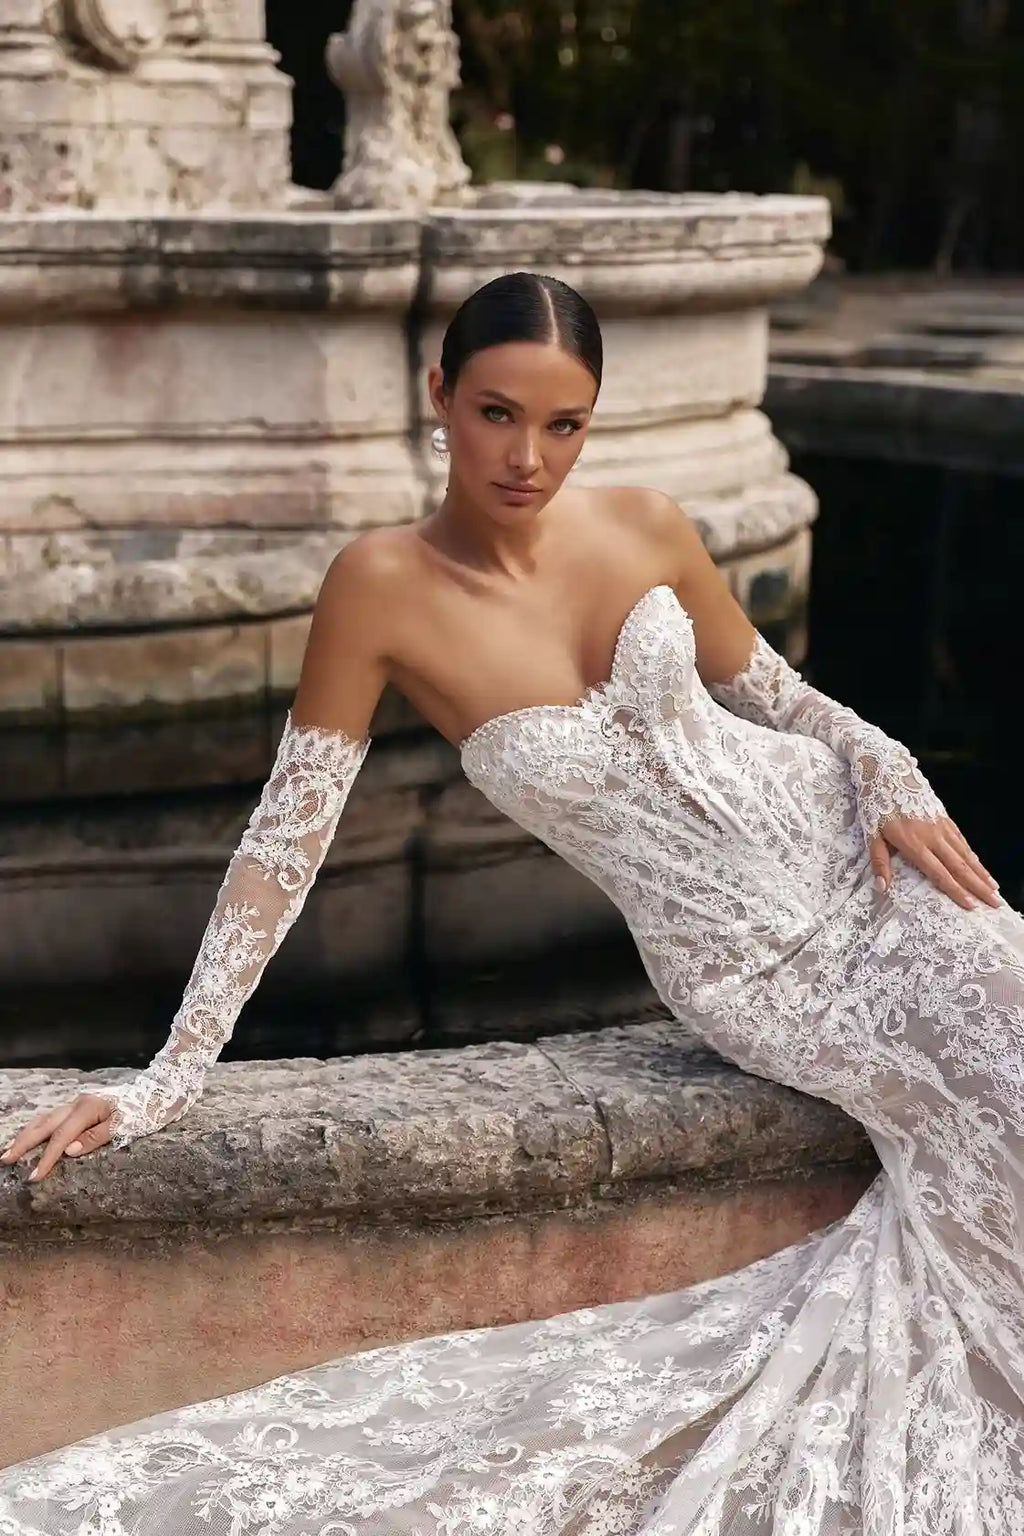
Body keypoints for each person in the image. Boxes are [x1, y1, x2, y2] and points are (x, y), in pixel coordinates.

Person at [1, 271, 1021, 1534]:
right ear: (437, 397)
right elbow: (285, 842)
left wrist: (891, 770)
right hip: (757, 973)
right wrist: (169, 1073)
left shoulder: (646, 525)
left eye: (563, 424)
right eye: (494, 413)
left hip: (878, 878)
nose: (527, 457)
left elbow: (789, 706)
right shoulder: (379, 588)